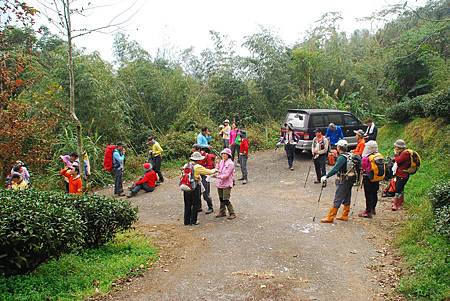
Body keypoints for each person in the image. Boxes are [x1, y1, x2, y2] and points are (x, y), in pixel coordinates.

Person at [320, 140, 356, 223]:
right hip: (350, 179)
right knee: (347, 196)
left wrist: (326, 176)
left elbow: (335, 169)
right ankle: (345, 215)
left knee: (338, 198)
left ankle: (330, 217)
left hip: (344, 179)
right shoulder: (349, 155)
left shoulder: (342, 158)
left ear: (339, 147)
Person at [182, 152, 216, 225]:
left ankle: (186, 221)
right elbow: (208, 172)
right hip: (194, 187)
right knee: (195, 204)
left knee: (187, 204)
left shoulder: (186, 165)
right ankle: (193, 221)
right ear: (198, 160)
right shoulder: (197, 167)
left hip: (186, 186)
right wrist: (215, 170)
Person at [358, 140, 381, 218]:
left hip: (368, 178)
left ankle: (368, 211)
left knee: (368, 194)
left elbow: (363, 167)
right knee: (374, 193)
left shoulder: (366, 158)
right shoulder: (379, 156)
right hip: (377, 178)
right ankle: (373, 209)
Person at [192, 144, 216, 214]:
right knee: (197, 192)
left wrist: (202, 169)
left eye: (194, 150)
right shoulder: (194, 155)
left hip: (204, 175)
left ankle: (210, 207)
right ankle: (199, 207)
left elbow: (210, 166)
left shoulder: (207, 156)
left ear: (199, 150)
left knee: (206, 192)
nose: (193, 151)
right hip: (197, 175)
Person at [215, 148, 236, 219]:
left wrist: (217, 176)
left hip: (227, 184)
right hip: (220, 183)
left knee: (226, 199)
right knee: (221, 198)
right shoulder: (221, 162)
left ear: (228, 155)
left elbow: (227, 175)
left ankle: (232, 213)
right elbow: (217, 169)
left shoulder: (231, 164)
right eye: (222, 154)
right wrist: (217, 163)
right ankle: (222, 212)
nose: (223, 155)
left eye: (225, 154)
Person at [391, 139, 410, 211]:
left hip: (402, 175)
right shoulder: (403, 153)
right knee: (401, 188)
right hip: (402, 174)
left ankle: (395, 204)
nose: (395, 148)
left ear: (400, 148)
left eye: (396, 147)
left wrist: (395, 154)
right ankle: (401, 203)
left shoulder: (405, 153)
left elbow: (398, 161)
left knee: (398, 189)